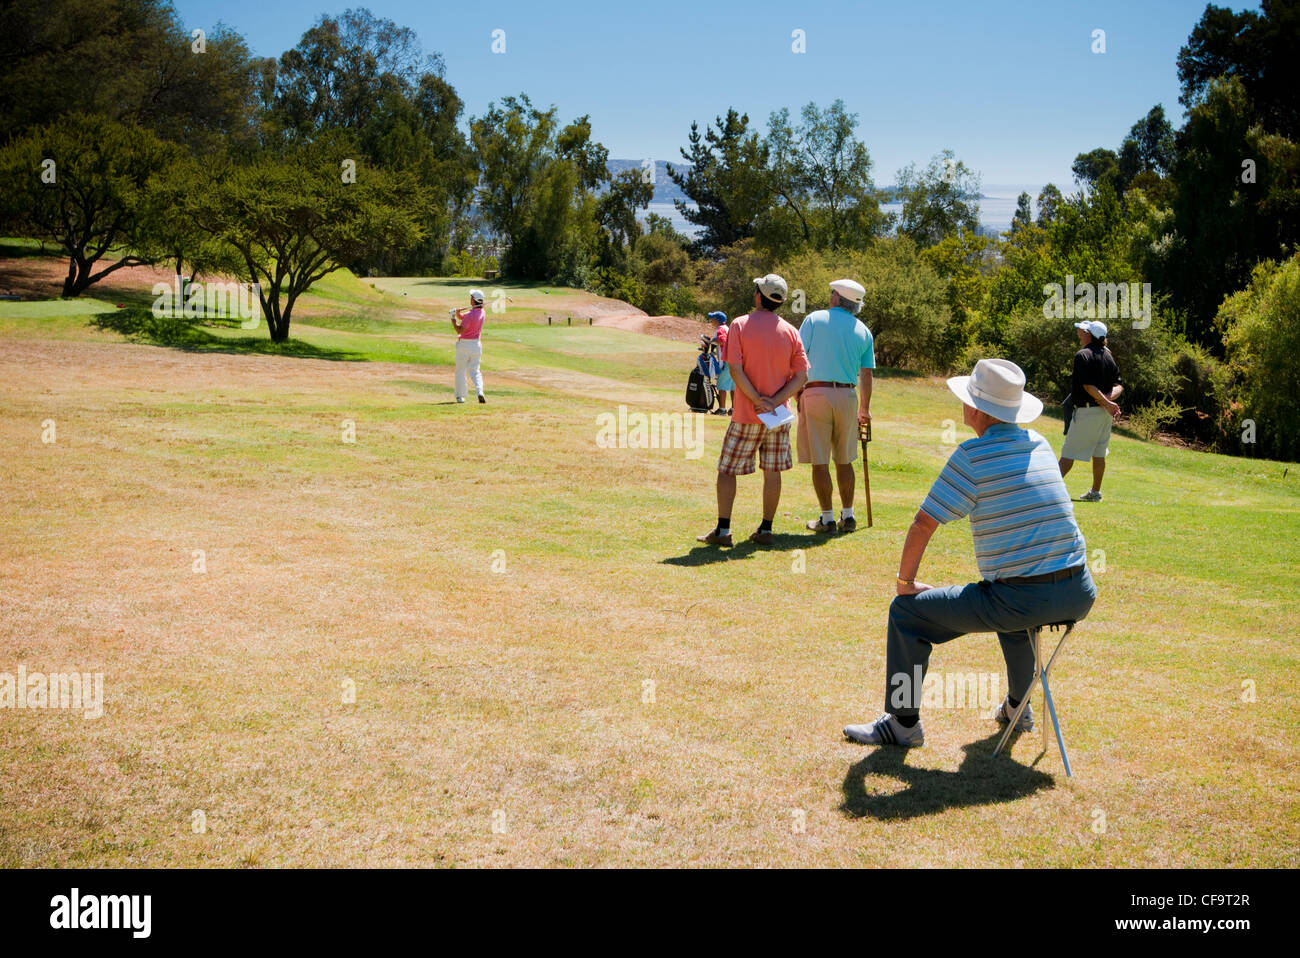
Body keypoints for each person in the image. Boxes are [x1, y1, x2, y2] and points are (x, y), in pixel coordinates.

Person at [843, 358, 1097, 747]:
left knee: (906, 613)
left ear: (977, 409)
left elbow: (923, 523)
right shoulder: (1041, 443)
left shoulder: (972, 455)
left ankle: (902, 723)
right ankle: (1018, 707)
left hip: (1020, 598)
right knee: (1010, 605)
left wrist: (905, 583)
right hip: (1078, 591)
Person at [696, 274, 809, 546]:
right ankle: (766, 530)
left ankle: (723, 531)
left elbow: (735, 369)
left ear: (759, 295)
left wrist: (757, 399)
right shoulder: (791, 331)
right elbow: (802, 375)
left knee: (727, 470)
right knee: (772, 472)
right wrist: (774, 401)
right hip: (778, 416)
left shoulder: (739, 324)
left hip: (747, 414)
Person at [795, 279, 874, 534]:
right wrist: (865, 408)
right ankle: (848, 516)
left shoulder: (814, 319)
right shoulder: (864, 331)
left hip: (816, 392)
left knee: (820, 461)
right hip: (848, 396)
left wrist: (796, 394)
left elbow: (798, 358)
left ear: (836, 298)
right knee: (845, 459)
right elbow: (867, 374)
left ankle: (827, 519)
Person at [1059, 320, 1122, 501]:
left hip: (1087, 412)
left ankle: (1049, 491)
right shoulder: (1109, 356)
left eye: (1083, 332)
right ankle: (1095, 493)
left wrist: (1104, 401)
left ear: (1089, 335)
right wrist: (1107, 403)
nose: (1080, 334)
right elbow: (1119, 385)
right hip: (1104, 414)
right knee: (1099, 453)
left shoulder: (1082, 355)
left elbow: (1087, 386)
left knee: (1068, 454)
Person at [451, 289, 487, 404]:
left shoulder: (470, 315)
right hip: (476, 345)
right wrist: (458, 314)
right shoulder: (482, 312)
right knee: (475, 371)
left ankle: (460, 397)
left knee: (460, 370)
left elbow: (459, 329)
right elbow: (465, 318)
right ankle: (480, 391)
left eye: (471, 297)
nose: (469, 298)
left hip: (464, 345)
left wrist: (452, 318)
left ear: (473, 300)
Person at [708, 311, 734, 415]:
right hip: (733, 360)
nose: (711, 321)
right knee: (733, 386)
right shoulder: (728, 328)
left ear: (717, 320)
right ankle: (734, 409)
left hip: (725, 360)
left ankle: (722, 409)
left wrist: (712, 341)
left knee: (721, 385)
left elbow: (722, 340)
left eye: (713, 319)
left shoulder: (720, 329)